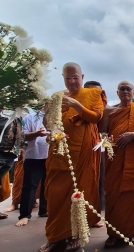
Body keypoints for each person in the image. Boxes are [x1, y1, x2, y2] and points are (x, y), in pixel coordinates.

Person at [39, 62, 107, 252]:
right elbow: (48, 121)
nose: (72, 82)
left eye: (75, 77)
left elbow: (96, 117)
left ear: (82, 77)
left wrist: (77, 105)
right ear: (63, 78)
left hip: (82, 153)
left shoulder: (93, 94)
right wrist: (48, 118)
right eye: (67, 78)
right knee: (55, 194)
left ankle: (75, 236)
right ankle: (54, 237)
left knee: (79, 193)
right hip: (58, 151)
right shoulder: (57, 97)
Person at [98, 81, 134, 247]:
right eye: (122, 89)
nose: (125, 91)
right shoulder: (109, 110)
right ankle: (113, 233)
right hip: (114, 158)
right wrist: (106, 139)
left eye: (128, 89)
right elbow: (102, 131)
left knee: (132, 194)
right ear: (117, 92)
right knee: (113, 195)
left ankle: (133, 230)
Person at [15, 107, 49, 227]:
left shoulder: (60, 117)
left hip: (53, 157)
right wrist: (37, 133)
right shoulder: (31, 117)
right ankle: (24, 215)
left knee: (49, 185)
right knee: (30, 186)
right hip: (34, 156)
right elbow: (23, 136)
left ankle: (44, 210)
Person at [84, 80, 106, 228]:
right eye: (91, 92)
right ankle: (80, 216)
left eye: (97, 93)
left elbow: (107, 128)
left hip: (100, 149)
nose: (95, 95)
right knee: (82, 182)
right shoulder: (77, 108)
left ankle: (95, 215)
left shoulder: (104, 109)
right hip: (81, 150)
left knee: (99, 182)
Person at [0, 104, 25, 219]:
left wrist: (21, 150)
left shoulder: (15, 118)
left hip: (10, 155)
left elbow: (20, 136)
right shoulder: (4, 119)